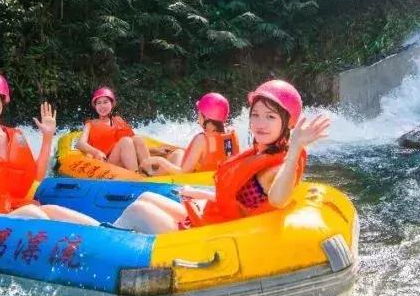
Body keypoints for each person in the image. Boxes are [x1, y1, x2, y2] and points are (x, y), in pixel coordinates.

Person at [113, 80, 330, 233]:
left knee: (138, 210)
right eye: (255, 115)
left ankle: (104, 242)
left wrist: (295, 149)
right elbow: (240, 200)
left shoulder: (278, 167)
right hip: (213, 219)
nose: (259, 123)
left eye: (270, 117)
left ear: (288, 123)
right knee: (146, 198)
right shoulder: (260, 151)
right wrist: (201, 193)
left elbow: (277, 199)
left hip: (214, 236)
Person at [0, 71, 98, 224]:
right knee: (33, 213)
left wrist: (47, 137)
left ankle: (106, 229)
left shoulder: (17, 136)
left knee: (53, 209)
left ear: (3, 102)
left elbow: (37, 176)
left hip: (15, 208)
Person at [139, 92, 240, 176]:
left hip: (199, 182)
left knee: (175, 155)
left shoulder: (202, 139)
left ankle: (151, 175)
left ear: (206, 118)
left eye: (199, 113)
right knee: (178, 153)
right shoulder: (232, 134)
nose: (197, 117)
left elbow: (183, 173)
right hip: (219, 178)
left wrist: (159, 160)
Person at [75, 86, 154, 171]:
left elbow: (135, 147)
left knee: (137, 139)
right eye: (99, 103)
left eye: (105, 102)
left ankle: (148, 172)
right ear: (95, 106)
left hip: (124, 160)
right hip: (107, 162)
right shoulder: (90, 124)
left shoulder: (118, 121)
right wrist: (96, 152)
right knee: (126, 141)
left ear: (112, 104)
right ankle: (136, 175)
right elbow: (80, 144)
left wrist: (157, 151)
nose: (102, 106)